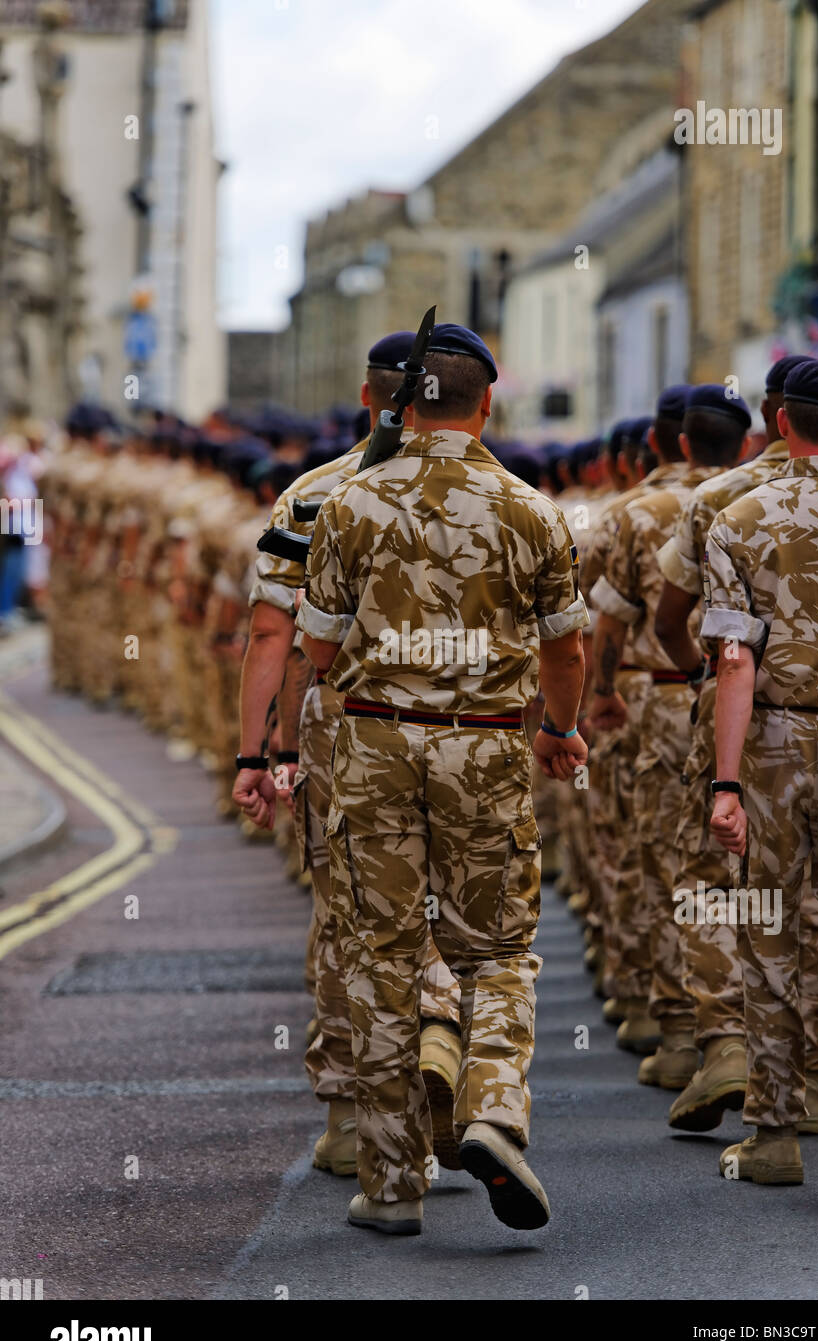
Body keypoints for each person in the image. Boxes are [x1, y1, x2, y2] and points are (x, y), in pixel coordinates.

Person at [296, 322, 589, 1235]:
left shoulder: (350, 503)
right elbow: (567, 649)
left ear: (401, 403)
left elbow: (316, 646)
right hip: (488, 743)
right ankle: (492, 1111)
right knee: (495, 951)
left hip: (378, 743)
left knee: (381, 960)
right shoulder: (530, 509)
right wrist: (563, 731)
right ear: (486, 404)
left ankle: (391, 1185)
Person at [235, 332, 462, 1180]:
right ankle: (441, 1039)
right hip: (466, 726)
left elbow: (272, 634)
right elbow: (557, 639)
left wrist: (257, 754)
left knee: (349, 913)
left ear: (368, 399)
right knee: (451, 906)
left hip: (349, 725)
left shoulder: (312, 496)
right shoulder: (503, 495)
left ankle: (349, 1115)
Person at [655, 356, 818, 1135]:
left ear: (774, 419)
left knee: (727, 884)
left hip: (749, 716)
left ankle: (729, 1048)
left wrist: (704, 683)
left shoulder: (720, 502)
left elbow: (682, 623)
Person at [702, 359, 818, 1185]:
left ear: (775, 421)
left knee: (768, 925)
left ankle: (773, 1134)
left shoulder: (737, 518)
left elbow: (735, 662)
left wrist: (725, 784)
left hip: (770, 741)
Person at [588, 385, 752, 1087]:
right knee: (778, 880)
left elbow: (605, 621)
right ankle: (792, 1055)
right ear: (744, 443)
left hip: (661, 697)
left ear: (671, 443)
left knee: (667, 862)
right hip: (786, 709)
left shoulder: (633, 513)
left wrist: (597, 694)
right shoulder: (758, 496)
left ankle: (680, 1026)